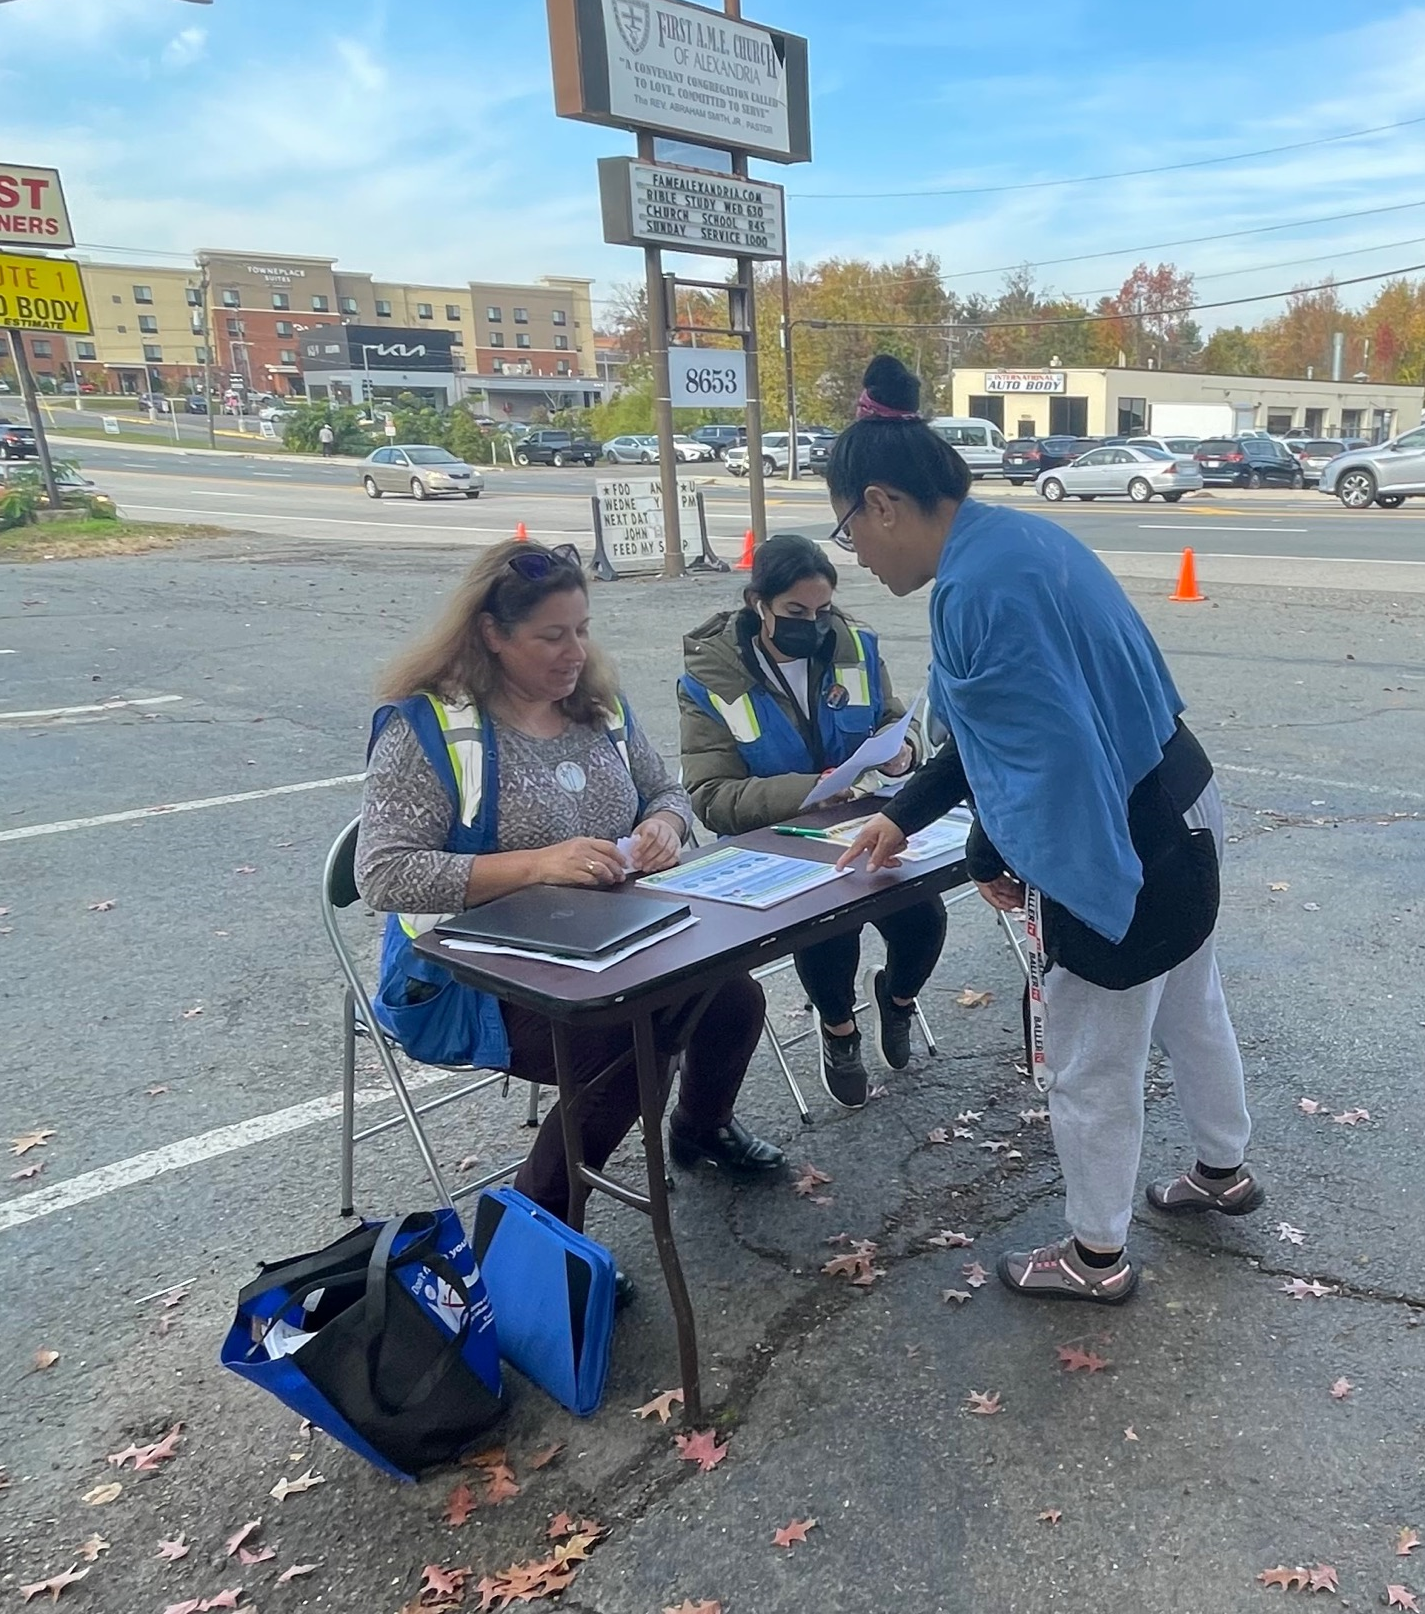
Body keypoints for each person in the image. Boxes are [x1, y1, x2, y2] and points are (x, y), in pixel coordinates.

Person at [830, 355, 1258, 1306]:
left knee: (1089, 1059)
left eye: (847, 528)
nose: (853, 552)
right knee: (1192, 1002)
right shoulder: (1014, 539)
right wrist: (903, 815)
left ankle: (1094, 1257)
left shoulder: (975, 591)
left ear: (880, 503)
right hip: (1180, 795)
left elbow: (1050, 762)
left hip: (1122, 835)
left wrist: (994, 854)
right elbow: (999, 731)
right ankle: (1223, 1172)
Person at [356, 537, 785, 1240]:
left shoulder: (597, 705)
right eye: (550, 636)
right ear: (491, 635)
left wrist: (665, 827)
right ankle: (532, 1238)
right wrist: (534, 865)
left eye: (581, 629)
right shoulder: (428, 725)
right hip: (475, 976)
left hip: (613, 940)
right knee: (625, 1049)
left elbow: (666, 790)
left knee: (730, 998)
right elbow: (384, 875)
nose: (574, 652)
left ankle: (701, 1131)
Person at [679, 533, 947, 1108]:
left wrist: (905, 752)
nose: (814, 623)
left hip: (857, 819)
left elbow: (896, 720)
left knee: (922, 915)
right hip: (772, 842)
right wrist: (808, 794)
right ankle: (839, 1032)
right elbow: (710, 796)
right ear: (758, 604)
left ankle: (897, 1001)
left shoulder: (852, 646)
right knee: (831, 922)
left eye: (823, 610)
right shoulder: (711, 679)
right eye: (796, 612)